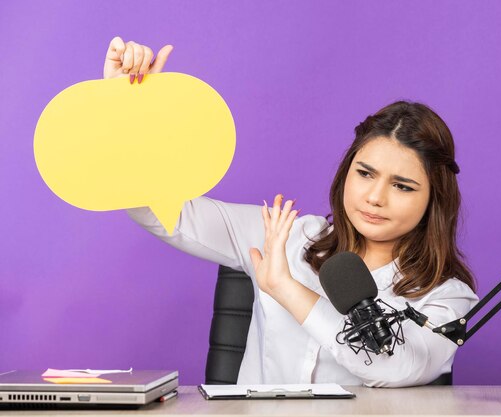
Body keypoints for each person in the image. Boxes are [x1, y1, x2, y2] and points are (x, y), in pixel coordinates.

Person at [104, 36, 479, 387]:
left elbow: (394, 366)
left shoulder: (448, 298)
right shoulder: (285, 234)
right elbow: (165, 214)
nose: (375, 197)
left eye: (402, 186)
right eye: (365, 174)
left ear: (434, 197)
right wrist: (127, 112)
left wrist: (286, 288)